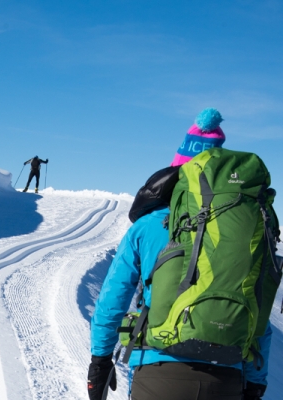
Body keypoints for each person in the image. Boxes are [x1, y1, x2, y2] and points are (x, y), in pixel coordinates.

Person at [87, 110, 272, 400]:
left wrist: (99, 361)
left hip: (158, 371)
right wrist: (256, 382)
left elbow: (113, 297)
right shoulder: (248, 229)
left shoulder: (149, 225)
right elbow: (259, 307)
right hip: (227, 375)